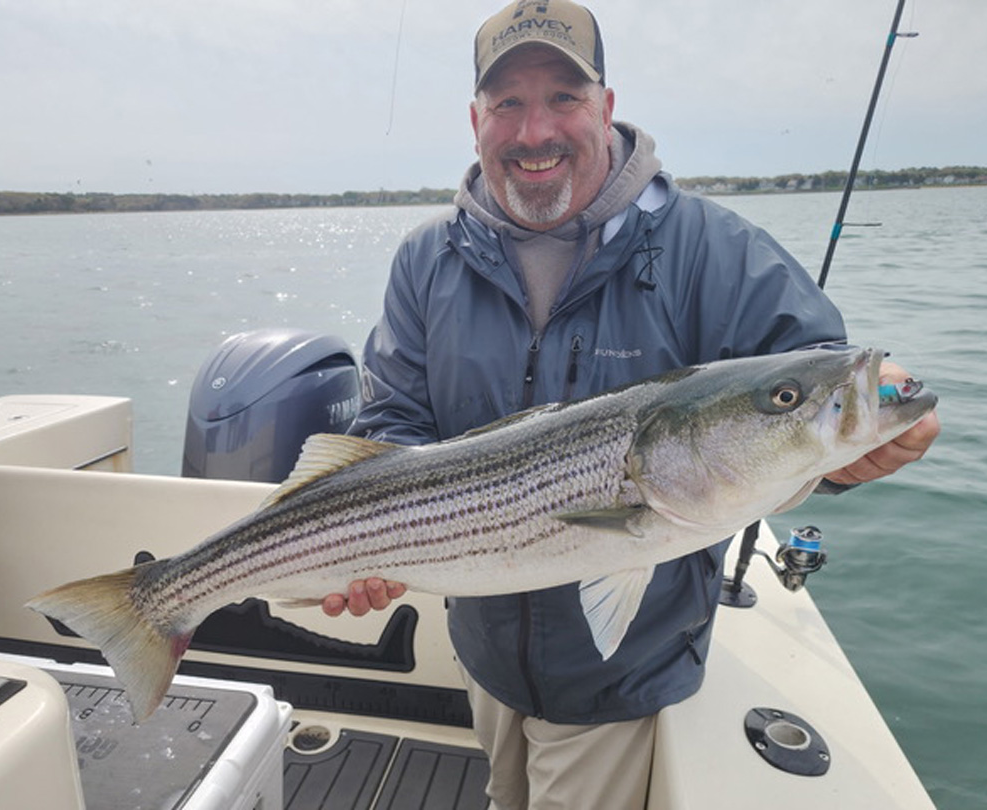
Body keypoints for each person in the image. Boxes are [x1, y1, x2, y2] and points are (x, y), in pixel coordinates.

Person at [321, 2, 941, 808]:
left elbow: (808, 369)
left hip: (624, 674)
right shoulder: (426, 260)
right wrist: (370, 542)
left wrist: (858, 440)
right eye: (508, 103)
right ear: (476, 121)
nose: (535, 130)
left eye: (564, 97)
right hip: (482, 641)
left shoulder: (709, 248)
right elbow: (395, 423)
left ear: (606, 106)